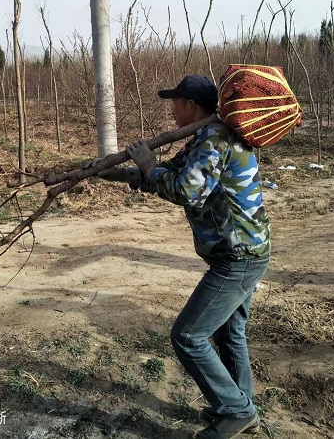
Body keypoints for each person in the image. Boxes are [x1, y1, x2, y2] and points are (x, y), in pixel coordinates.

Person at [99, 75, 270, 439]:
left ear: (189, 106)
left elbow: (185, 190)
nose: (172, 108)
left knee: (188, 335)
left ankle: (236, 411)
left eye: (175, 102)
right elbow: (168, 175)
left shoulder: (214, 141)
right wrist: (112, 173)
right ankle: (242, 409)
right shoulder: (205, 139)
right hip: (247, 252)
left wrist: (148, 165)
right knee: (230, 333)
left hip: (237, 257)